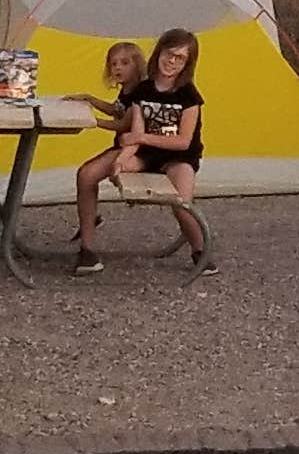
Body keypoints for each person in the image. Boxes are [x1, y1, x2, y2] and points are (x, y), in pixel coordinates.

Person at [70, 27, 210, 275]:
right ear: (159, 52)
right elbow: (134, 135)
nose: (172, 61)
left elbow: (182, 142)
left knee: (181, 203)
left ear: (187, 64)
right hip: (144, 154)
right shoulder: (143, 90)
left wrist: (140, 138)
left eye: (180, 58)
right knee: (87, 174)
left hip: (178, 157)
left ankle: (200, 250)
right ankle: (87, 250)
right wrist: (121, 161)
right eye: (169, 54)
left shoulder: (189, 96)